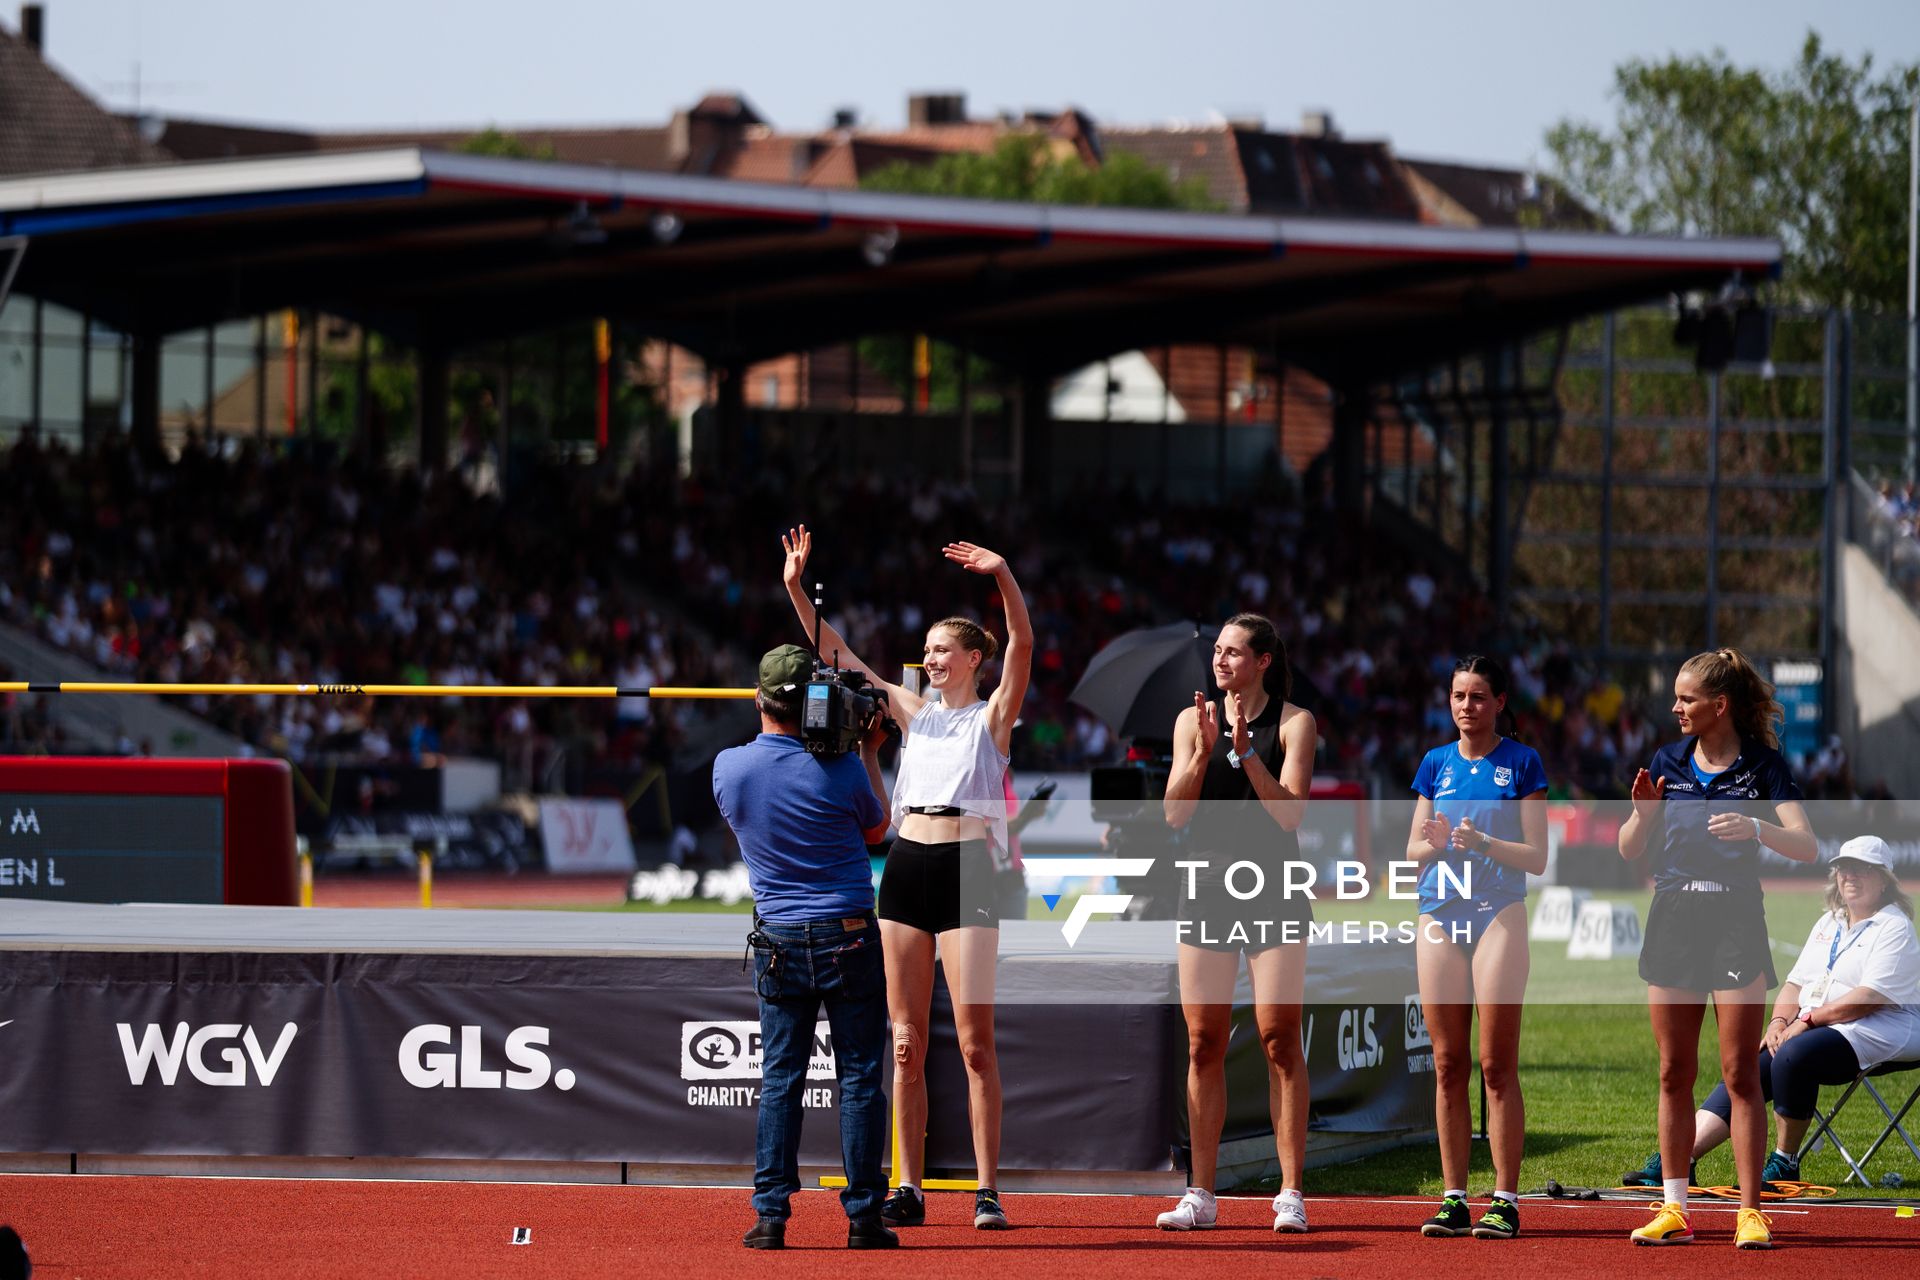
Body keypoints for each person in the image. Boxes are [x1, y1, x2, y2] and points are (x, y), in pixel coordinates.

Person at [781, 525, 1032, 1231]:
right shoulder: (912, 713)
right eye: (925, 652)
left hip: (968, 870)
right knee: (904, 1041)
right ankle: (909, 1187)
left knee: (977, 1043)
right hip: (906, 866)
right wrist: (796, 588)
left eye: (942, 650)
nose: (930, 659)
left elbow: (1025, 647)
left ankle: (987, 1189)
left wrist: (1002, 574)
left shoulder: (993, 718)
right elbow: (837, 653)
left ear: (973, 658)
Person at [1618, 647, 1817, 1250]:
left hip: (1735, 920)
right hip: (1673, 918)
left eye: (1686, 698)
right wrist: (1641, 816)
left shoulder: (1763, 766)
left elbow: (1807, 846)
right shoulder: (1666, 760)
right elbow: (1630, 849)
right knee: (1673, 1071)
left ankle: (1750, 1211)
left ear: (1719, 705)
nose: (1675, 708)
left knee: (1739, 1073)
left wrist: (1757, 826)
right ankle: (1673, 1207)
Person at [712, 644, 898, 1251]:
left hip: (779, 939)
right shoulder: (843, 768)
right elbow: (878, 830)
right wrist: (867, 751)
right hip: (847, 933)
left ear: (759, 700)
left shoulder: (728, 769)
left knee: (781, 1079)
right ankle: (865, 1218)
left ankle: (771, 1217)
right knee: (861, 1079)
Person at [1154, 614, 1319, 1233]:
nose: (1220, 661)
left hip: (1274, 887)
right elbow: (1174, 814)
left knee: (1279, 1037)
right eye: (1217, 652)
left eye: (1232, 652)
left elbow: (1290, 815)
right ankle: (1200, 1191)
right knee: (1203, 1042)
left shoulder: (1295, 723)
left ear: (1263, 661)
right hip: (1205, 887)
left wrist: (1247, 750)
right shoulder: (1189, 719)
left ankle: (1291, 1192)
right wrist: (1201, 750)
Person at [1635, 836, 1920, 1190]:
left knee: (1793, 1053)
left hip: (1883, 1026)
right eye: (1845, 869)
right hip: (1821, 1025)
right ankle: (1684, 1155)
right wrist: (1778, 1023)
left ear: (1884, 881)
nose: (1850, 877)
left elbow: (1870, 998)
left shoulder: (1894, 926)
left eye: (1862, 870)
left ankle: (1785, 1162)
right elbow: (1794, 985)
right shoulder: (1829, 923)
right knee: (1748, 1063)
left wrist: (1805, 1022)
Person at [1404, 656, 1548, 1240]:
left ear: (1500, 702)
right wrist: (1434, 845)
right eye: (1459, 696)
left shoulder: (1521, 763)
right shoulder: (1433, 764)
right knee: (1446, 1064)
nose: (1468, 706)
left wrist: (1484, 841)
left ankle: (1506, 1198)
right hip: (1440, 911)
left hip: (1498, 914)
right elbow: (1412, 851)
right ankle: (1454, 1197)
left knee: (1495, 1063)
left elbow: (1536, 857)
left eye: (1480, 696)